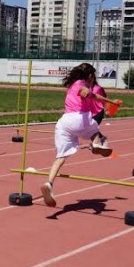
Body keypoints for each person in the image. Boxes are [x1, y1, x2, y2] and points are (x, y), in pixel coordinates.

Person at [40, 63, 112, 208]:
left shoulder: (72, 84)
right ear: (90, 75)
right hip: (79, 118)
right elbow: (85, 91)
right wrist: (87, 92)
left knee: (60, 157)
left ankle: (49, 184)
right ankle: (96, 144)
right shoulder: (82, 83)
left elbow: (95, 96)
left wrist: (110, 102)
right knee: (93, 129)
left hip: (64, 123)